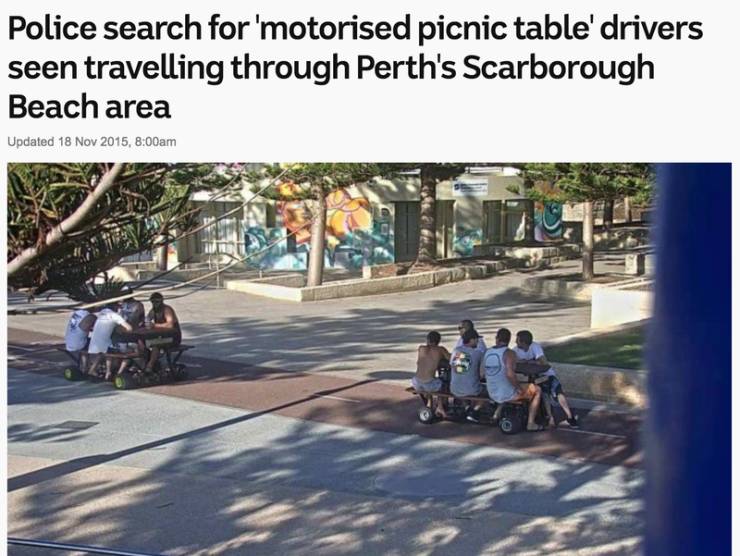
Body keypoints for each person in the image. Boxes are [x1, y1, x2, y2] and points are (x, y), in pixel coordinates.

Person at [483, 328, 544, 432]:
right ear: (509, 340)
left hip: (492, 391)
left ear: (496, 339)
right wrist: (519, 388)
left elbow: (482, 373)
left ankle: (497, 413)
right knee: (537, 389)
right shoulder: (509, 353)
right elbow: (510, 375)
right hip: (507, 393)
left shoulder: (487, 352)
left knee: (507, 384)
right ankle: (531, 423)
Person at [514, 330, 579, 428]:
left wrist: (530, 362)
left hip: (545, 373)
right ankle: (550, 417)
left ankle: (570, 417)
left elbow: (544, 362)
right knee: (543, 392)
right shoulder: (515, 350)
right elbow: (515, 363)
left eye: (517, 340)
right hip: (531, 377)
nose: (515, 342)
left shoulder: (535, 347)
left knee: (557, 390)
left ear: (523, 342)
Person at [87, 303, 133, 380]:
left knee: (106, 350)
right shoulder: (115, 316)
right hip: (104, 345)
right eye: (118, 307)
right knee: (127, 351)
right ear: (115, 307)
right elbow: (129, 328)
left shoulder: (103, 312)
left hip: (94, 342)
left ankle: (103, 371)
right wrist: (122, 330)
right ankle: (114, 373)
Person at [412, 331, 451, 418]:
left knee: (430, 381)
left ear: (428, 339)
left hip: (416, 382)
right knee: (442, 383)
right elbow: (450, 358)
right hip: (429, 384)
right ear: (438, 341)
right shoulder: (440, 350)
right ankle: (440, 407)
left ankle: (429, 404)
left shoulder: (421, 348)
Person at [450, 328, 486, 422]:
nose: (478, 342)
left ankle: (467, 408)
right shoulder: (478, 353)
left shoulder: (456, 351)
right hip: (472, 389)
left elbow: (453, 367)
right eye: (477, 339)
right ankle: (474, 410)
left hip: (454, 389)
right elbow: (482, 374)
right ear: (472, 340)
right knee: (487, 391)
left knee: (462, 383)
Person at [144, 292, 182, 372]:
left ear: (161, 301)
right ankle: (145, 362)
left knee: (156, 345)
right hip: (162, 336)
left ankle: (149, 366)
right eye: (153, 302)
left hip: (173, 337)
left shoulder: (167, 309)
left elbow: (170, 325)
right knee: (143, 342)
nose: (155, 304)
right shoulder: (153, 311)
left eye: (157, 302)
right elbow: (147, 319)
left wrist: (154, 325)